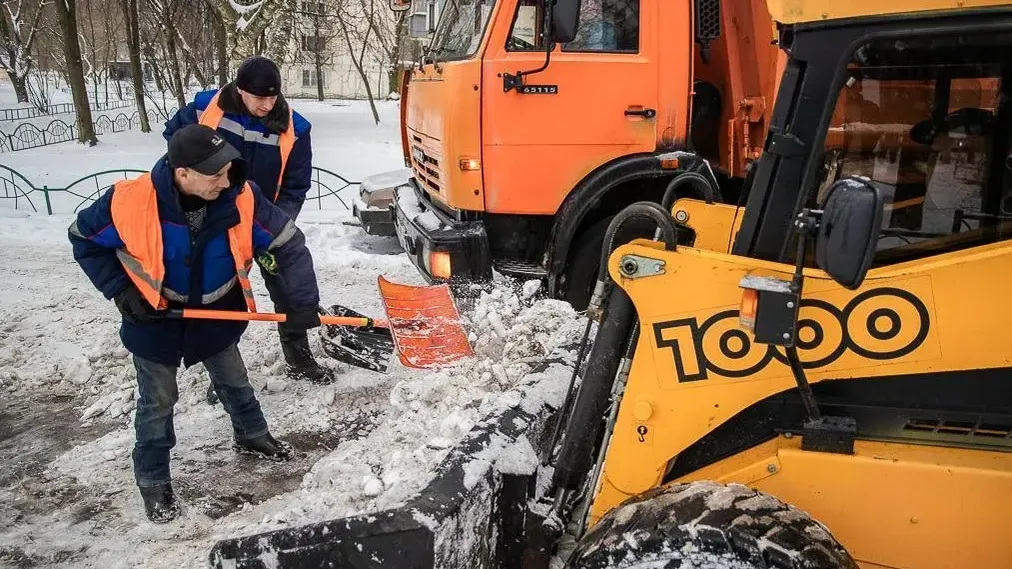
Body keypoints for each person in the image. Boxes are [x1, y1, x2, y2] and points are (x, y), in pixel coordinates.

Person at [68, 124, 323, 523]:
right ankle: (153, 478)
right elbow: (83, 238)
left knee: (234, 379)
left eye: (228, 171)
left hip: (218, 310)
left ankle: (252, 434)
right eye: (215, 174)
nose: (225, 182)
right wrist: (121, 290)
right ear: (182, 172)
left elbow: (287, 243)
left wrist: (303, 303)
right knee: (158, 400)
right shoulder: (128, 201)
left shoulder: (242, 197)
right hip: (153, 317)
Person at [163, 55, 331, 388]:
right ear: (240, 90)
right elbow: (174, 142)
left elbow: (295, 187)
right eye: (259, 97)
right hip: (212, 217)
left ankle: (299, 359)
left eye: (273, 97)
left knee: (287, 289)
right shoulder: (204, 110)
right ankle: (223, 375)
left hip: (262, 219)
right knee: (220, 296)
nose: (267, 105)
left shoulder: (296, 129)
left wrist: (275, 231)